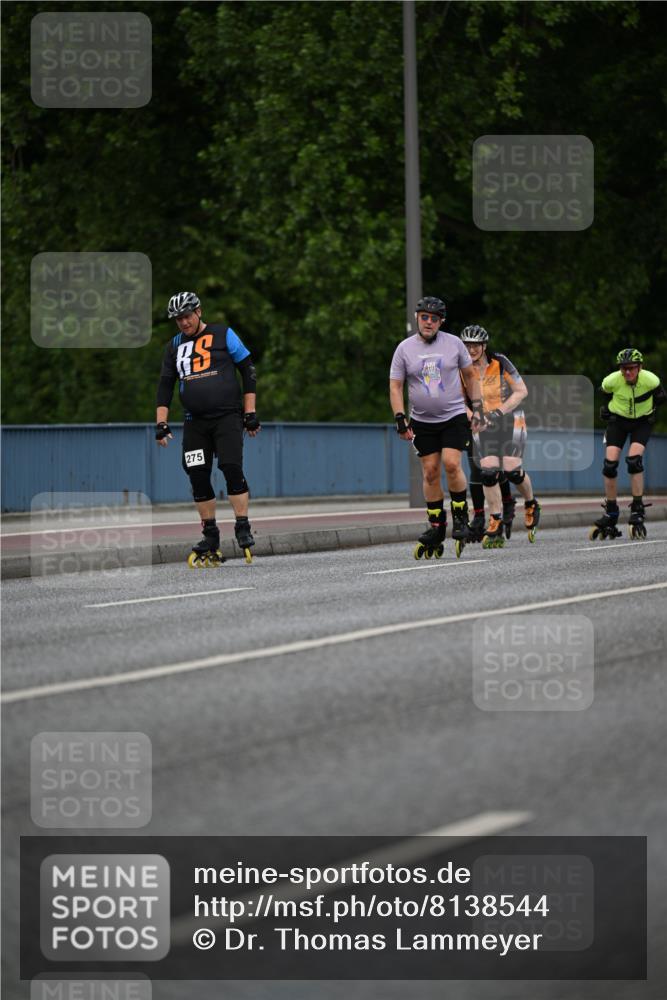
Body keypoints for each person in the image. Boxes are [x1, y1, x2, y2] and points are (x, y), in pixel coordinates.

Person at [155, 291, 261, 565]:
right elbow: (165, 385)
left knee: (230, 466)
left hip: (227, 418)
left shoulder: (223, 334)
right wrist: (161, 422)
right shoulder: (175, 345)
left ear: (199, 311)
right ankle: (210, 534)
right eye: (178, 319)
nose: (183, 322)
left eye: (187, 316)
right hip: (195, 423)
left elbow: (248, 370)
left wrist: (250, 413)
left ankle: (242, 526)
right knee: (196, 472)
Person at [389, 296, 484, 558]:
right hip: (422, 421)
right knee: (430, 472)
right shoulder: (404, 349)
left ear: (441, 321)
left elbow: (470, 376)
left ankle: (461, 517)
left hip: (453, 416)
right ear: (417, 318)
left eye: (434, 318)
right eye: (424, 317)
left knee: (452, 464)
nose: (428, 322)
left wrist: (478, 408)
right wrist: (400, 417)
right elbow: (396, 386)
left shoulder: (453, 344)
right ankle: (437, 526)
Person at [459, 325, 540, 546]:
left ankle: (531, 503)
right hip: (482, 423)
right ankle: (495, 519)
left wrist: (496, 413)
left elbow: (521, 391)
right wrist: (475, 416)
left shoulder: (500, 362)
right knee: (488, 472)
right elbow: (456, 400)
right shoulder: (460, 368)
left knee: (512, 470)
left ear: (484, 346)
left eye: (475, 345)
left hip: (510, 418)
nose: (471, 349)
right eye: (466, 345)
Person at [590, 348, 665, 540]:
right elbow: (603, 393)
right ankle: (611, 510)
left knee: (633, 461)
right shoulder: (612, 380)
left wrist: (654, 405)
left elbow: (661, 396)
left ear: (640, 368)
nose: (627, 373)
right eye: (624, 369)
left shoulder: (651, 380)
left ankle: (638, 508)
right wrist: (605, 409)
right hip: (618, 421)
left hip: (642, 422)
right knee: (609, 466)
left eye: (631, 368)